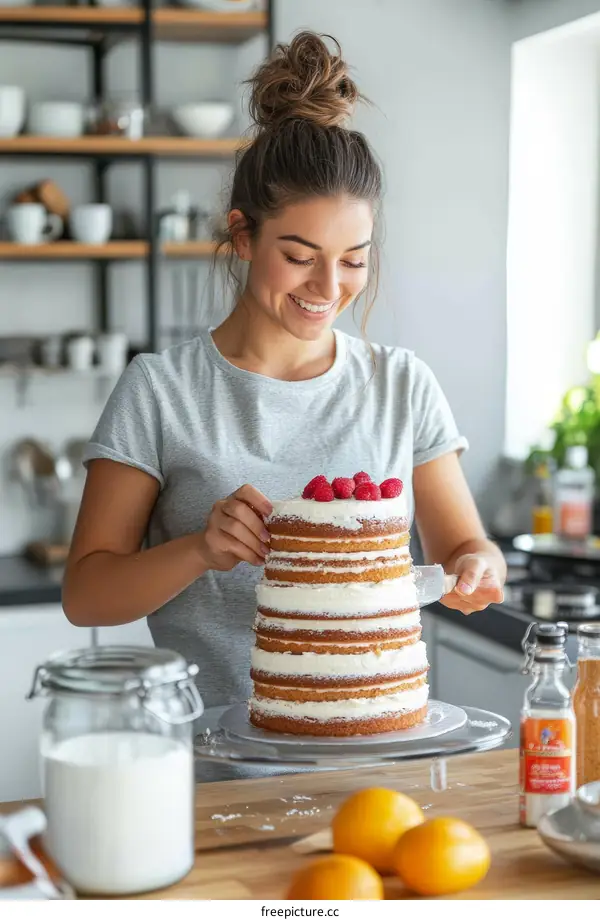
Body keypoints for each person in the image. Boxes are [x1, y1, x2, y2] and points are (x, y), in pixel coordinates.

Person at [63, 32, 506, 720]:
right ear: (242, 235)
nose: (328, 286)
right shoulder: (160, 391)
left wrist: (481, 569)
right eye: (300, 255)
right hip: (211, 777)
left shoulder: (402, 385)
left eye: (354, 258)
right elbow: (85, 595)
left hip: (376, 765)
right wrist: (200, 549)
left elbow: (462, 552)